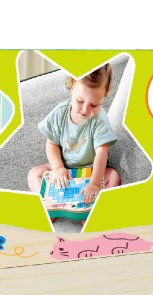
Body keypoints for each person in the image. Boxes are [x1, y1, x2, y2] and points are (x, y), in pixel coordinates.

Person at [28, 64, 122, 204]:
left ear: (104, 95)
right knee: (34, 174)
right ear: (72, 87)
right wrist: (58, 168)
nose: (85, 110)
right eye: (80, 101)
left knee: (114, 176)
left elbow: (102, 153)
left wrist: (94, 184)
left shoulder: (100, 120)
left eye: (94, 105)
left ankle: (93, 206)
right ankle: (48, 203)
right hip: (65, 168)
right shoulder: (60, 113)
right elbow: (51, 144)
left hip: (92, 170)